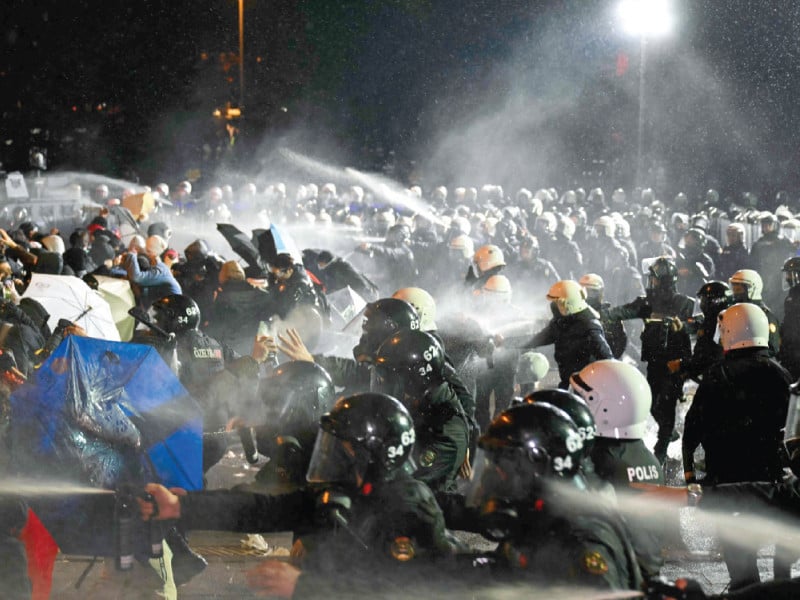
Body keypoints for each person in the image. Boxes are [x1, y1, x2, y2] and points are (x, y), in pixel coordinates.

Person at [141, 393, 460, 598]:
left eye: (342, 445)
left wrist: (305, 588)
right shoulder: (348, 489)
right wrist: (181, 506)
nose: (332, 451)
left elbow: (407, 589)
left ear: (370, 454)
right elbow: (264, 509)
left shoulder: (407, 507)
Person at [457, 402, 643, 591]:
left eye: (503, 466)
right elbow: (507, 570)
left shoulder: (581, 538)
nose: (494, 476)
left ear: (535, 466)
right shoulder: (540, 512)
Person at [682, 302, 792, 590]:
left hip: (729, 480)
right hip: (773, 481)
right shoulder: (781, 374)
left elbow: (692, 430)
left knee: (742, 570)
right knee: (783, 559)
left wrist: (690, 475)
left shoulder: (717, 376)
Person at [569, 359, 666, 578]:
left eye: (581, 399)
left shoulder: (599, 460)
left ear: (603, 406)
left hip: (611, 577)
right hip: (644, 573)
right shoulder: (646, 459)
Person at [605, 257, 693, 463]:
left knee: (668, 402)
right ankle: (667, 431)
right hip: (654, 361)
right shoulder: (647, 302)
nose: (651, 282)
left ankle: (661, 450)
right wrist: (601, 314)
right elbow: (623, 311)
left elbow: (691, 325)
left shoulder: (684, 303)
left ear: (663, 280)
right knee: (651, 402)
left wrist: (679, 325)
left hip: (675, 362)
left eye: (654, 279)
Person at [373, 329, 470, 493]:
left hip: (423, 508)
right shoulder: (418, 400)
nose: (385, 383)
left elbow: (410, 479)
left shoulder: (448, 427)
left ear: (413, 380)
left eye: (390, 378)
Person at [520, 280, 613, 388]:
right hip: (568, 383)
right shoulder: (561, 323)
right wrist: (504, 342)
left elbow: (608, 360)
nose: (553, 306)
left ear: (568, 304)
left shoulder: (589, 328)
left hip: (588, 388)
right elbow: (534, 340)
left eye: (557, 303)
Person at [667, 281, 732, 381]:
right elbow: (696, 326)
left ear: (714, 302)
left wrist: (682, 365)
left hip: (716, 379)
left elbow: (709, 358)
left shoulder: (721, 324)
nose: (701, 304)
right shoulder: (711, 320)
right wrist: (682, 326)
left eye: (704, 300)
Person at [750, 212, 795, 320]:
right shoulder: (759, 243)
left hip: (779, 275)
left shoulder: (782, 240)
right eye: (764, 224)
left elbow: (792, 252)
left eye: (768, 224)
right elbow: (753, 261)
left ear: (774, 224)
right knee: (766, 301)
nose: (765, 227)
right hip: (764, 275)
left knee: (779, 302)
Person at [728, 269, 780, 356]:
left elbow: (772, 347)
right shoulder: (734, 313)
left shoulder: (764, 315)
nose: (735, 293)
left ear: (752, 289)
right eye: (734, 289)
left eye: (739, 289)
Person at [579, 273, 628, 359]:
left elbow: (621, 341)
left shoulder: (610, 316)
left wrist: (609, 361)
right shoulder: (573, 314)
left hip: (603, 365)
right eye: (584, 292)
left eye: (591, 292)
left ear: (600, 293)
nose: (587, 296)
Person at [125, 235, 181, 309]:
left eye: (148, 251)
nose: (145, 254)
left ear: (153, 254)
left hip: (172, 308)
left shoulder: (160, 271)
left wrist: (132, 254)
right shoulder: (161, 268)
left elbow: (137, 277)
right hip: (168, 306)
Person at [779, 257, 800, 379]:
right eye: (787, 274)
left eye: (791, 274)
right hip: (791, 349)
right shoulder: (792, 295)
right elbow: (788, 321)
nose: (788, 278)